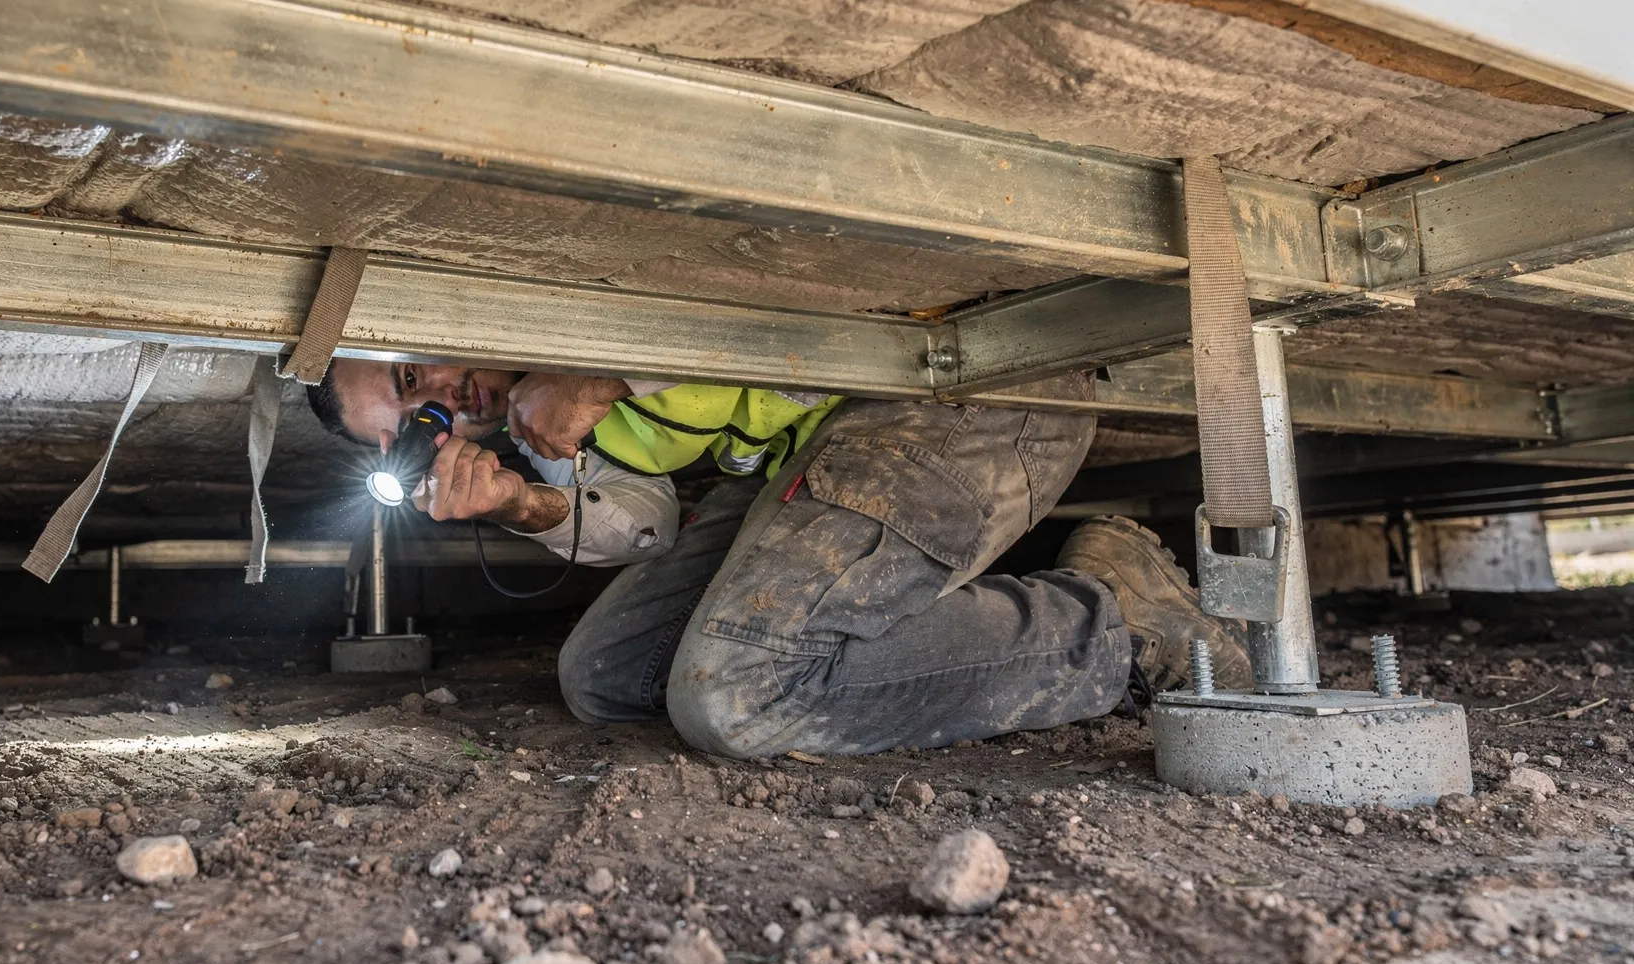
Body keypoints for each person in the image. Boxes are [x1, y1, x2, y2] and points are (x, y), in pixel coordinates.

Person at [308, 359, 1248, 759]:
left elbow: (802, 278)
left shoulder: (543, 252)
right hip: (831, 443)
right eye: (423, 417)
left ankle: (1113, 626)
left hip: (961, 391)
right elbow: (646, 522)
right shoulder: (529, 423)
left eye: (410, 377)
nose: (446, 401)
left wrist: (602, 369)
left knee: (738, 695)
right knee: (604, 675)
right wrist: (526, 503)